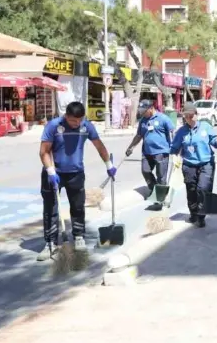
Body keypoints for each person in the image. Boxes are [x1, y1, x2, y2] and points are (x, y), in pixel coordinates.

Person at [37, 102, 116, 261]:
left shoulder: (86, 126)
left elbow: (99, 145)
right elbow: (44, 151)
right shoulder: (54, 126)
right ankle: (50, 242)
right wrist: (51, 171)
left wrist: (109, 164)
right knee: (51, 209)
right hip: (53, 173)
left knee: (78, 206)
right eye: (73, 120)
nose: (77, 123)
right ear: (66, 116)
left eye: (80, 120)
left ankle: (79, 236)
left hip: (76, 173)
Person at [170, 102, 217, 228]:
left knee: (203, 189)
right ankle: (193, 213)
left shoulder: (205, 127)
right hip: (189, 165)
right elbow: (174, 148)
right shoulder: (181, 132)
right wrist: (172, 155)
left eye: (191, 115)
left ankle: (201, 216)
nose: (189, 118)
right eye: (186, 116)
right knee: (191, 191)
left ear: (196, 114)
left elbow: (215, 143)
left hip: (206, 164)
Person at [125, 100, 175, 198]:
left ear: (151, 108)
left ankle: (160, 198)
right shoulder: (143, 121)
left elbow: (172, 132)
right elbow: (139, 136)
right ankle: (154, 190)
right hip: (147, 152)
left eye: (144, 111)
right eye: (141, 111)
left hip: (161, 152)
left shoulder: (163, 118)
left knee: (161, 176)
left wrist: (174, 147)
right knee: (145, 171)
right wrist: (131, 147)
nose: (142, 113)